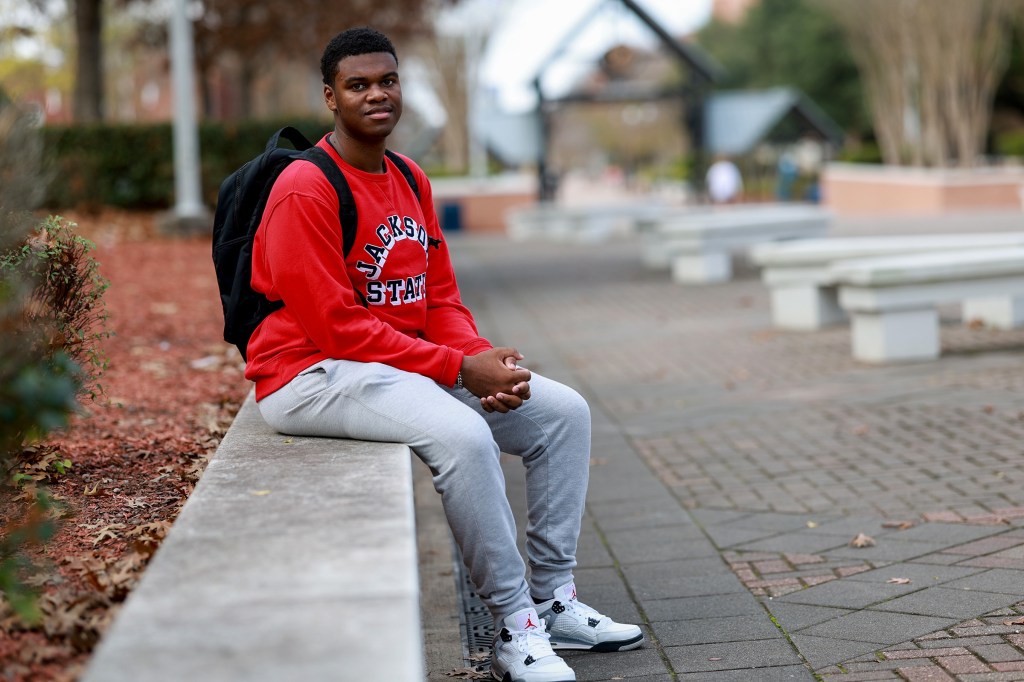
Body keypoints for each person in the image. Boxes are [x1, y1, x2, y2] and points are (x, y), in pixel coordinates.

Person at [245, 27, 643, 682]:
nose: (378, 94)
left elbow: (440, 302)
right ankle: (515, 628)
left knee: (562, 414)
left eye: (388, 80)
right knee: (463, 436)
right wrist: (461, 371)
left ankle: (553, 601)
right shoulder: (304, 189)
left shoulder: (409, 177)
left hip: (395, 364)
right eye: (359, 84)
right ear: (330, 97)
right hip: (309, 374)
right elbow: (339, 329)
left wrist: (484, 361)